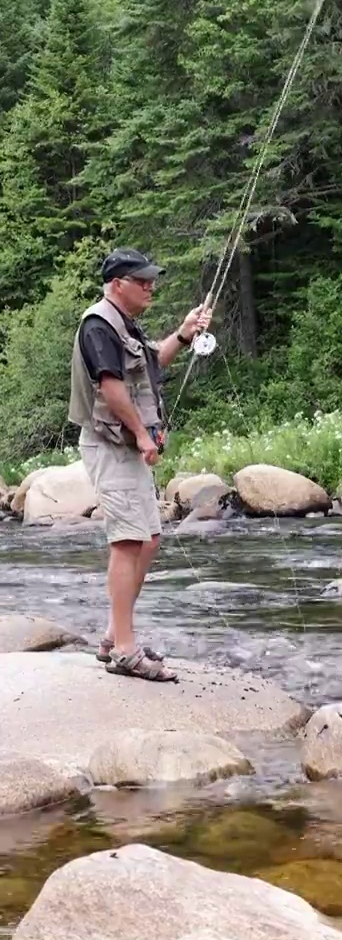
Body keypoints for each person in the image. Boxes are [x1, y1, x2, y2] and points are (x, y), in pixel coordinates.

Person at [69, 248, 212, 683]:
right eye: (142, 280)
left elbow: (151, 364)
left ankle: (114, 636)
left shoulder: (123, 323)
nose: (151, 286)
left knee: (149, 539)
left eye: (151, 279)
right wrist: (144, 435)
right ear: (117, 284)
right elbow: (111, 389)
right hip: (110, 447)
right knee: (128, 541)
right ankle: (125, 652)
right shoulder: (98, 324)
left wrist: (185, 334)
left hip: (125, 449)